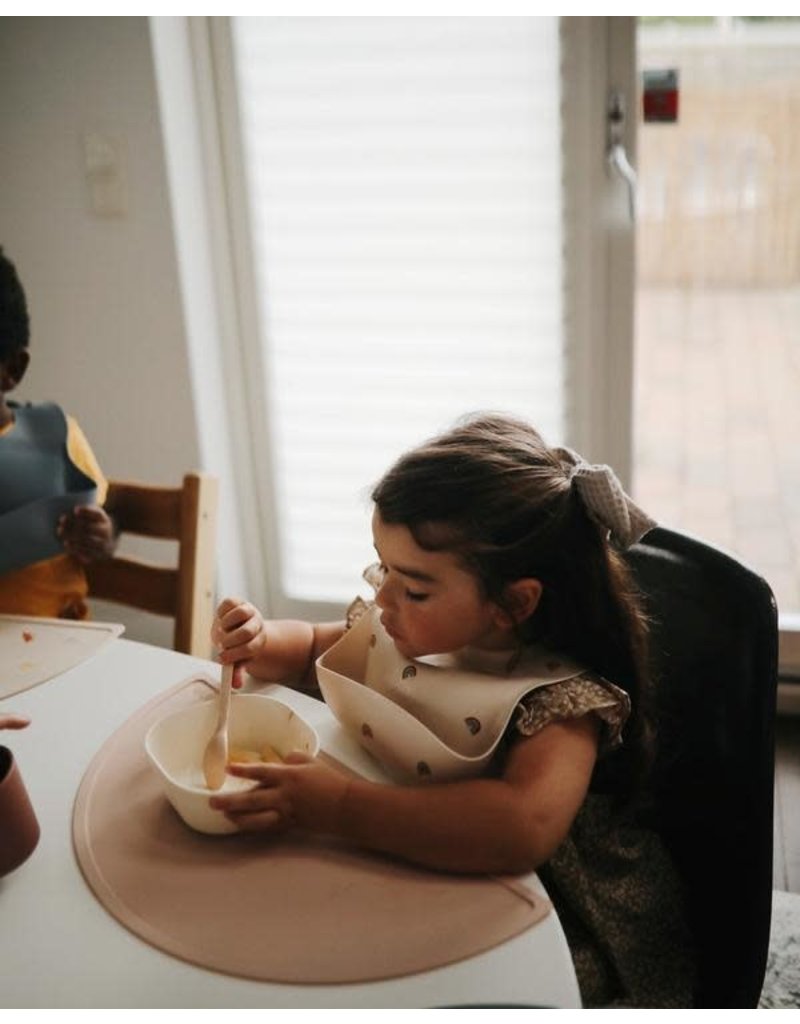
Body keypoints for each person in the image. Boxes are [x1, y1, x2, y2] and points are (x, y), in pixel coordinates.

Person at [210, 412, 696, 1007]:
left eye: (413, 588)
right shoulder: (410, 625)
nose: (382, 598)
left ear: (512, 603)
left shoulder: (560, 701)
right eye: (382, 567)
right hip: (403, 843)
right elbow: (315, 646)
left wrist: (337, 806)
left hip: (546, 910)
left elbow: (520, 827)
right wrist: (262, 641)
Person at [0, 246, 116, 619]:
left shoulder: (56, 438)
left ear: (12, 369)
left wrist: (100, 536)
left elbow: (103, 519)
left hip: (59, 648)